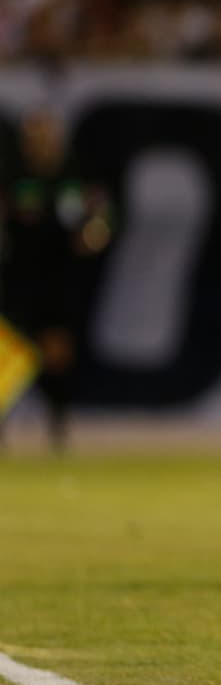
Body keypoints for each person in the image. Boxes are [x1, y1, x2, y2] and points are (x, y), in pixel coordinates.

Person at [0, 107, 111, 452]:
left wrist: (95, 233)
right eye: (34, 136)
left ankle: (57, 422)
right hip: (17, 276)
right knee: (9, 351)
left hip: (58, 276)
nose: (41, 142)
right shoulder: (13, 174)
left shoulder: (73, 175)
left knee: (57, 351)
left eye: (46, 135)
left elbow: (101, 215)